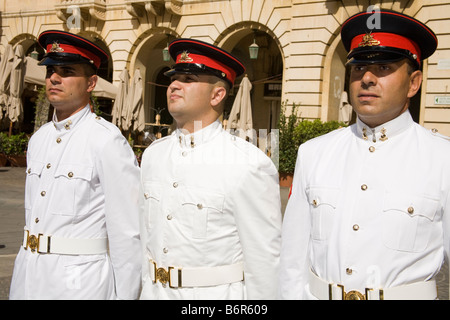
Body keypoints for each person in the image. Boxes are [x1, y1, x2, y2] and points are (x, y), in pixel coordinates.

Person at [279, 9, 450, 300]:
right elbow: (292, 261)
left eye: (384, 67)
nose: (367, 78)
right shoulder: (314, 153)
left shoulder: (442, 158)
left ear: (413, 83)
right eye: (358, 68)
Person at [139, 38, 282, 300]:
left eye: (188, 78)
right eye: (174, 77)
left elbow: (264, 263)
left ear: (217, 95)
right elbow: (144, 241)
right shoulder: (152, 156)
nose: (174, 84)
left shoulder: (248, 163)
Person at [9, 30, 141, 300]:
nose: (54, 78)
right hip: (28, 276)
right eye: (50, 71)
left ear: (91, 82)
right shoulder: (39, 139)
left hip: (80, 283)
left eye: (67, 71)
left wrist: (126, 295)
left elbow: (127, 232)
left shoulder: (106, 141)